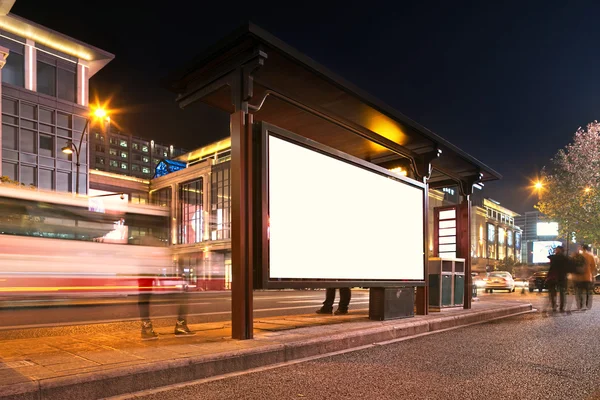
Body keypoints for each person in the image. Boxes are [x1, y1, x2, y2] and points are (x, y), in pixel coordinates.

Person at [139, 275, 195, 340]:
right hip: (160, 274)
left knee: (144, 296)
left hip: (147, 273)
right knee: (183, 296)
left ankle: (146, 328)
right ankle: (181, 326)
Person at [546, 246, 569, 313]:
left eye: (556, 250)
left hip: (553, 276)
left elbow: (549, 257)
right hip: (562, 277)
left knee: (552, 292)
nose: (556, 250)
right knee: (562, 292)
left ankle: (554, 306)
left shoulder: (554, 257)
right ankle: (561, 307)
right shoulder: (565, 258)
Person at [573, 244, 595, 311]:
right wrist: (590, 272)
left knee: (579, 291)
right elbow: (593, 266)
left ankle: (580, 305)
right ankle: (587, 305)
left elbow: (575, 265)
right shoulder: (591, 256)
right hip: (588, 277)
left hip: (580, 277)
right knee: (588, 291)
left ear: (582, 248)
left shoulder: (580, 256)